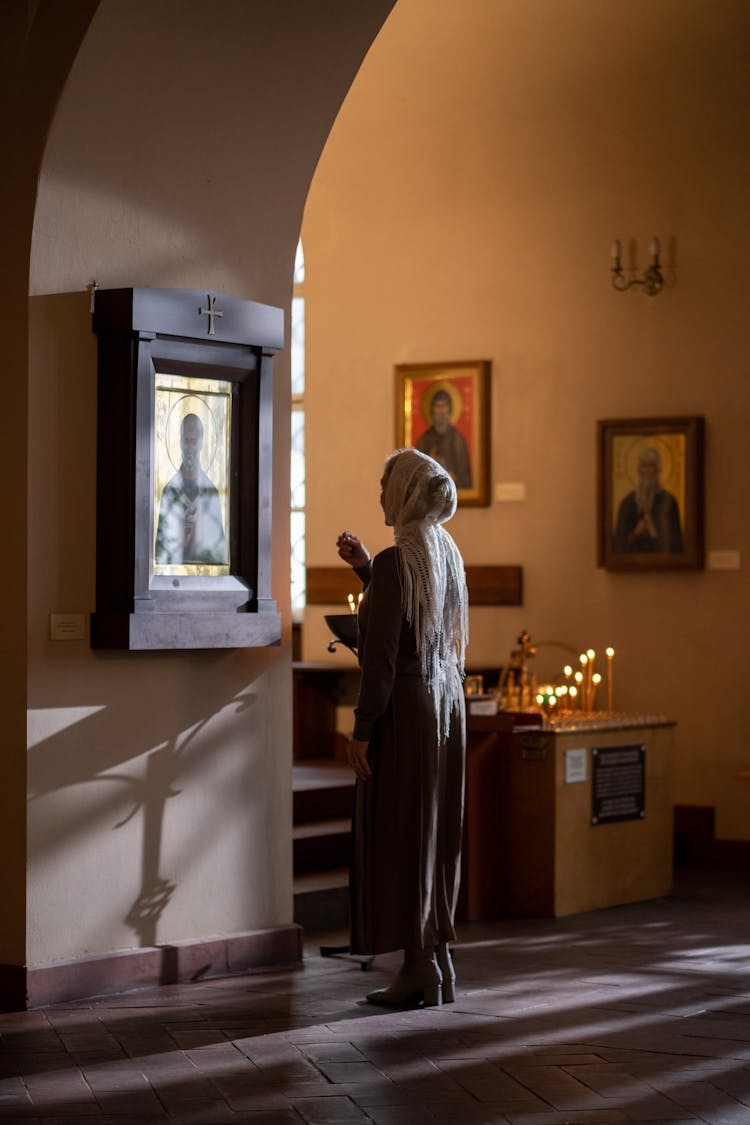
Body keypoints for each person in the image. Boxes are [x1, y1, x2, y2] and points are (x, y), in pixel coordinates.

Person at [336, 448, 469, 1007]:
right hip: (445, 709)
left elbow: (383, 657)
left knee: (404, 833)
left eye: (385, 481)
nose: (380, 492)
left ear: (406, 492)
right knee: (435, 837)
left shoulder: (399, 562)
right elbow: (414, 615)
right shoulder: (443, 552)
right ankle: (438, 962)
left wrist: (362, 730)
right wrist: (367, 569)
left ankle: (418, 968)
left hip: (408, 716)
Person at [154, 413, 228, 565]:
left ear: (200, 444)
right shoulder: (170, 490)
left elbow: (218, 550)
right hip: (173, 577)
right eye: (186, 442)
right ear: (180, 443)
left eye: (193, 442)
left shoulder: (210, 491)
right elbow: (161, 550)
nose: (189, 448)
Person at [612, 446, 683, 554]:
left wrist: (653, 531)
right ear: (639, 469)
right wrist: (635, 533)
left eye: (651, 465)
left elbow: (677, 545)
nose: (647, 470)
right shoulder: (627, 503)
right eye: (644, 465)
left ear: (658, 469)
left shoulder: (669, 501)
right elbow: (618, 545)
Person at [415, 388, 473, 489]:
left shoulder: (458, 440)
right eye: (438, 406)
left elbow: (465, 477)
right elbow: (417, 476)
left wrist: (453, 477)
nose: (441, 411)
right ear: (432, 411)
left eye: (444, 406)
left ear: (449, 410)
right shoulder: (424, 441)